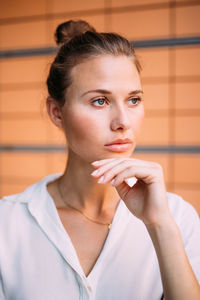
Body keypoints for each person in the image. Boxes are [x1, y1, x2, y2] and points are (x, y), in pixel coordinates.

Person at [0, 20, 200, 300]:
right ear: (57, 112)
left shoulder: (177, 218)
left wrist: (160, 226)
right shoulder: (7, 223)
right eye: (100, 101)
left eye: (133, 100)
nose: (123, 122)